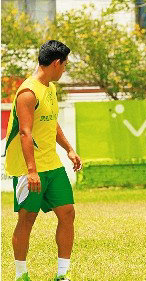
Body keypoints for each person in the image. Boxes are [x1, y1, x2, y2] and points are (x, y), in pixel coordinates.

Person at [4, 40, 82, 281]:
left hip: (52, 165)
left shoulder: (49, 87)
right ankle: (21, 275)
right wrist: (31, 170)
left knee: (68, 213)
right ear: (56, 63)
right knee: (27, 219)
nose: (65, 69)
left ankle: (62, 275)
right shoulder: (28, 92)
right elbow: (26, 132)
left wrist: (68, 148)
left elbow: (51, 122)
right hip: (30, 169)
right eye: (65, 65)